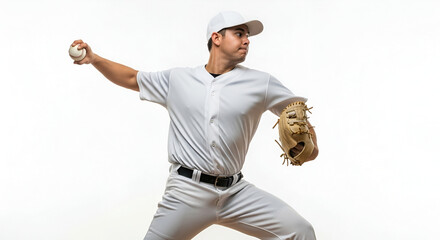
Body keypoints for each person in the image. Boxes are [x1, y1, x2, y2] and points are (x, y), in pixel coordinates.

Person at [72, 10, 318, 240]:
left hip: (236, 193)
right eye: (239, 33)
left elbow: (296, 110)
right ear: (217, 38)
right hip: (186, 192)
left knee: (300, 231)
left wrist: (311, 148)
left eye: (248, 36)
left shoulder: (260, 83)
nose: (247, 41)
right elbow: (131, 77)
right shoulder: (178, 79)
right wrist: (94, 58)